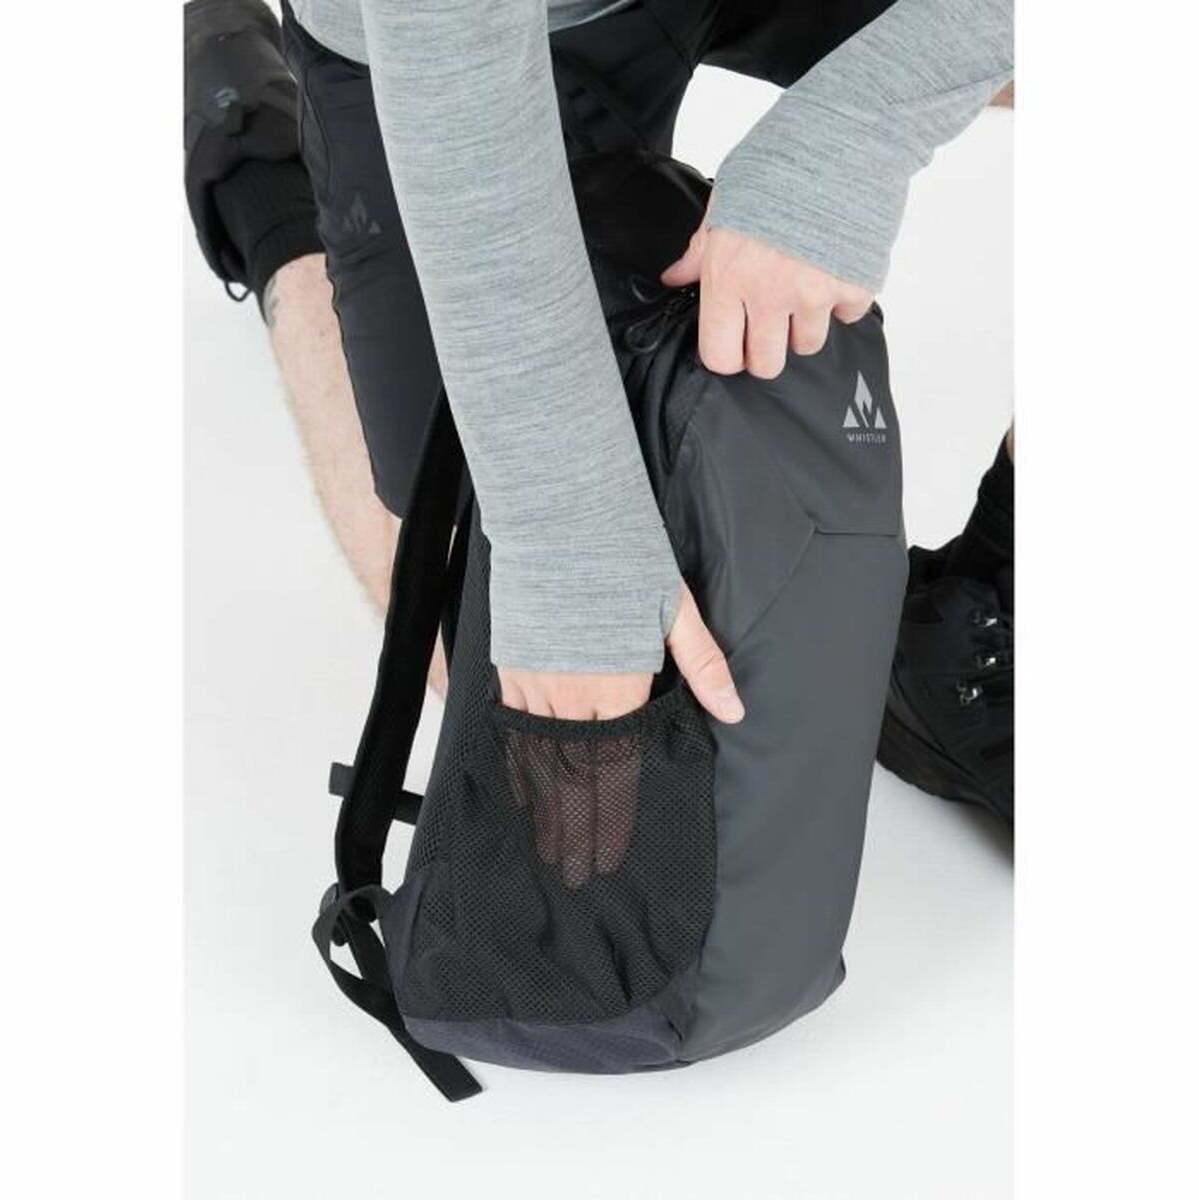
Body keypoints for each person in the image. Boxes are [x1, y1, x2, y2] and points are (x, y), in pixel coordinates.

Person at [184, 0, 1014, 819]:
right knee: (505, 662)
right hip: (449, 38)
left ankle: (985, 616)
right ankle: (268, 184)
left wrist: (856, 131)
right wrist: (567, 542)